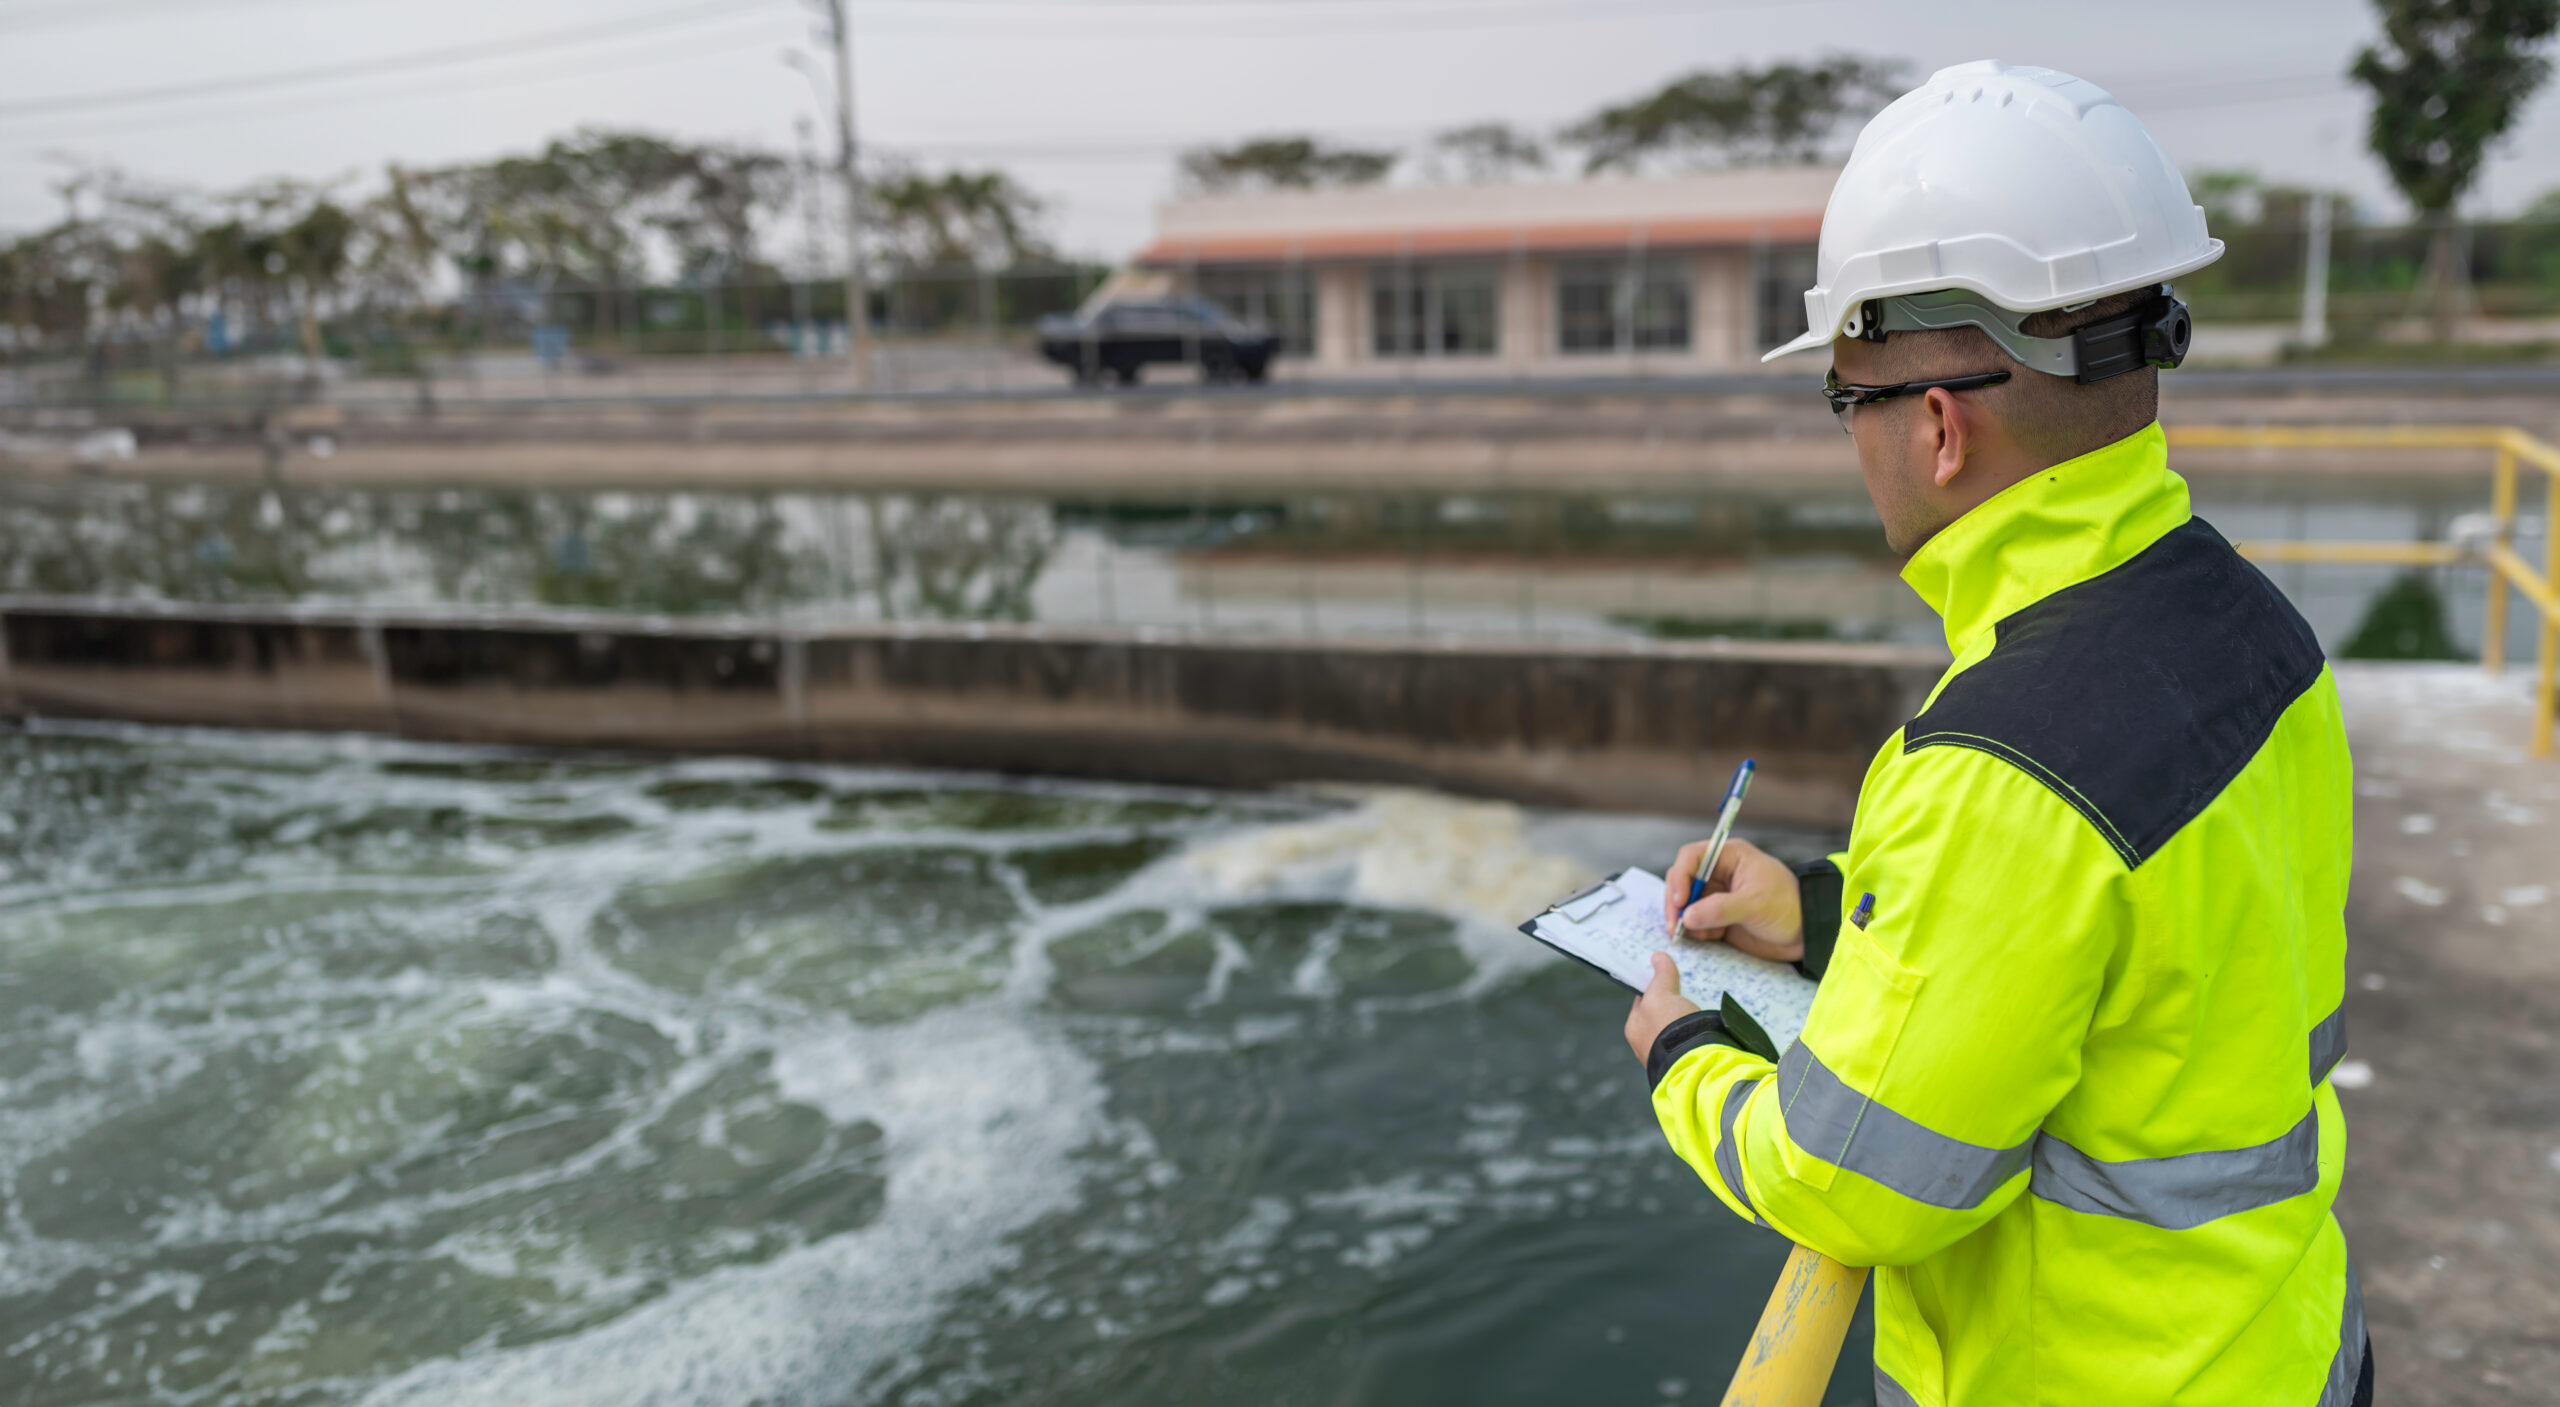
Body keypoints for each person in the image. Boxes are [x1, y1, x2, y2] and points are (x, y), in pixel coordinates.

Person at [1620, 61, 2369, 1407]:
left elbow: (1854, 1186)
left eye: (1847, 400)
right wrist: (1835, 918)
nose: (1855, 445)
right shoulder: (2256, 628)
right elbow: (2136, 957)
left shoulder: (2000, 760)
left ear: (1940, 425)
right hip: (2292, 1347)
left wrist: (1682, 1060)